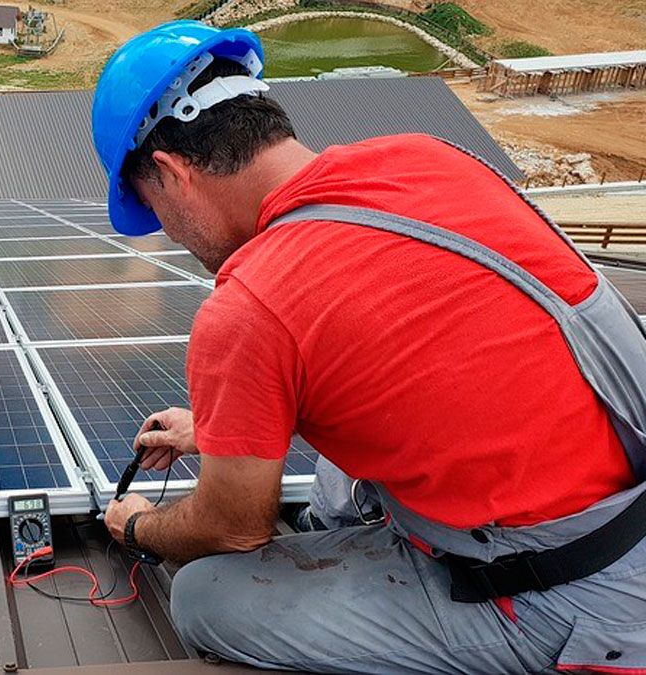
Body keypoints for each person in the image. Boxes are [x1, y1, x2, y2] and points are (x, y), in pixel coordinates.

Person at [92, 21, 646, 673]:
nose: (168, 233)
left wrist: (136, 524)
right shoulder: (428, 158)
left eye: (153, 209)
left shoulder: (249, 304)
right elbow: (397, 352)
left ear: (172, 173)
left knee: (203, 596)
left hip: (574, 597)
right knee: (334, 475)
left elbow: (233, 528)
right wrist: (216, 429)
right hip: (618, 490)